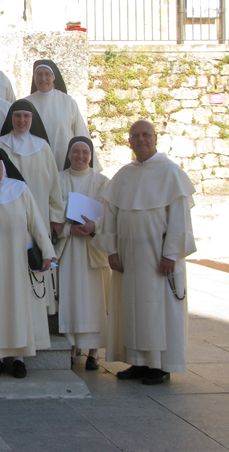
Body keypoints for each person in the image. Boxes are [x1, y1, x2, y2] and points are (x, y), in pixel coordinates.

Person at [98, 120, 196, 385]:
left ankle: (159, 366)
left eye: (146, 135)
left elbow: (180, 220)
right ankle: (138, 362)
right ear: (129, 141)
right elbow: (110, 218)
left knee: (158, 310)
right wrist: (112, 251)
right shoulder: (124, 175)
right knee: (131, 308)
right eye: (135, 135)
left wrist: (171, 255)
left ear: (155, 138)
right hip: (128, 259)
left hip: (158, 257)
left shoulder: (171, 173)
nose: (141, 139)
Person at [0, 147, 56, 378]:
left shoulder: (20, 189)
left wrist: (47, 252)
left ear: (4, 166)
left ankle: (19, 358)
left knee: (18, 308)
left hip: (18, 261)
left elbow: (36, 223)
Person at [0, 99, 65, 314]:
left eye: (26, 116)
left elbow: (54, 187)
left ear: (32, 119)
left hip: (39, 216)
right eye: (17, 116)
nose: (21, 120)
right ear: (10, 119)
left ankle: (37, 317)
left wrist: (56, 218)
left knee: (36, 262)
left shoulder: (43, 147)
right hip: (6, 220)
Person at [56, 137, 110, 370]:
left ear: (92, 155)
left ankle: (93, 353)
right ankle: (71, 347)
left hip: (92, 248)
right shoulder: (58, 180)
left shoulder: (102, 182)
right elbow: (51, 209)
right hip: (68, 248)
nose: (80, 156)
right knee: (70, 297)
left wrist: (94, 227)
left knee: (94, 300)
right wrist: (68, 228)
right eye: (76, 151)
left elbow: (110, 213)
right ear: (69, 154)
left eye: (85, 152)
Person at [25, 59, 98, 171]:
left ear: (54, 77)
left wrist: (90, 163)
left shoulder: (68, 102)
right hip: (36, 164)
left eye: (47, 74)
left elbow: (80, 133)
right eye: (39, 74)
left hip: (64, 161)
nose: (43, 78)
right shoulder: (26, 104)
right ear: (34, 77)